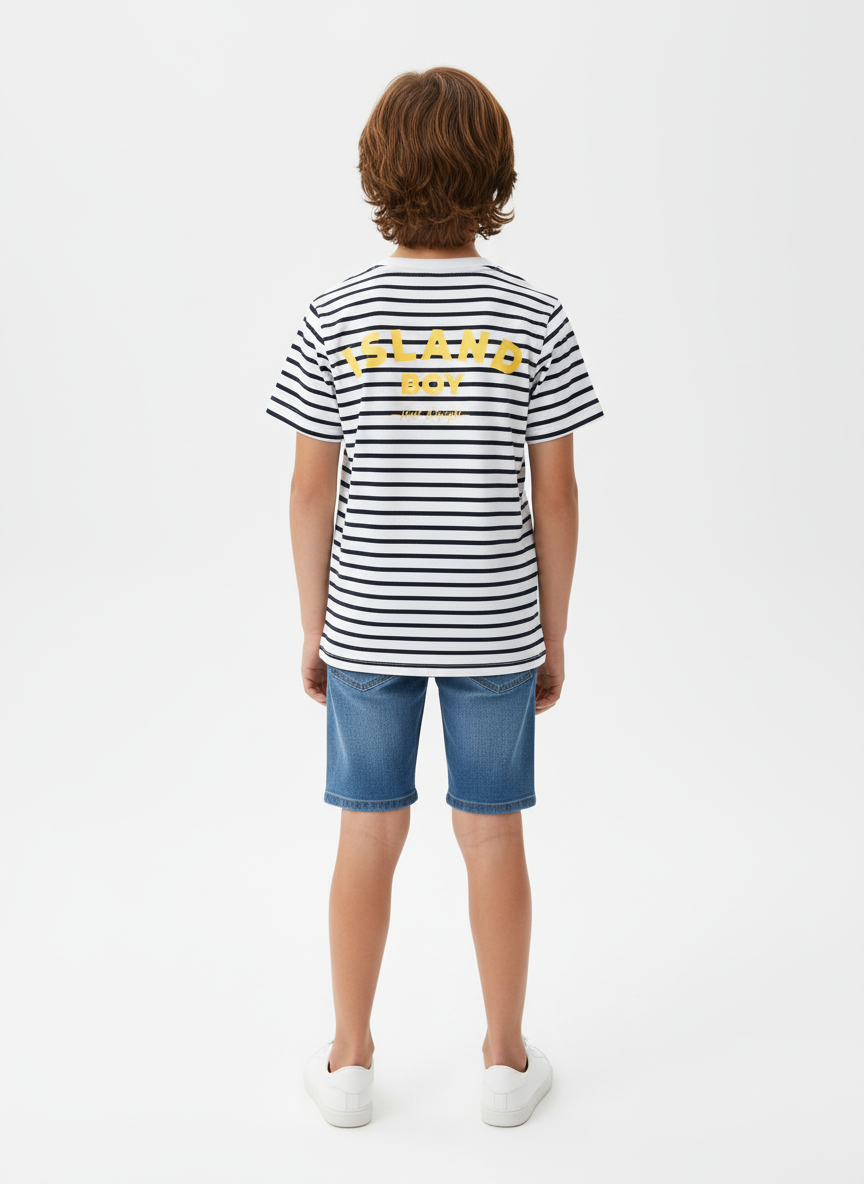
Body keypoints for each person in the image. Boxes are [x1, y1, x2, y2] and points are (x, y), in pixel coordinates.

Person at [265, 66, 604, 1128]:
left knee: (367, 832)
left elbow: (310, 487)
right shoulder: (535, 315)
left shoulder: (335, 313)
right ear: (495, 173)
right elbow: (557, 493)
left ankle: (349, 1062)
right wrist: (552, 631)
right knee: (492, 832)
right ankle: (505, 1062)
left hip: (367, 621)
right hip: (495, 621)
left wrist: (315, 623)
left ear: (377, 172)